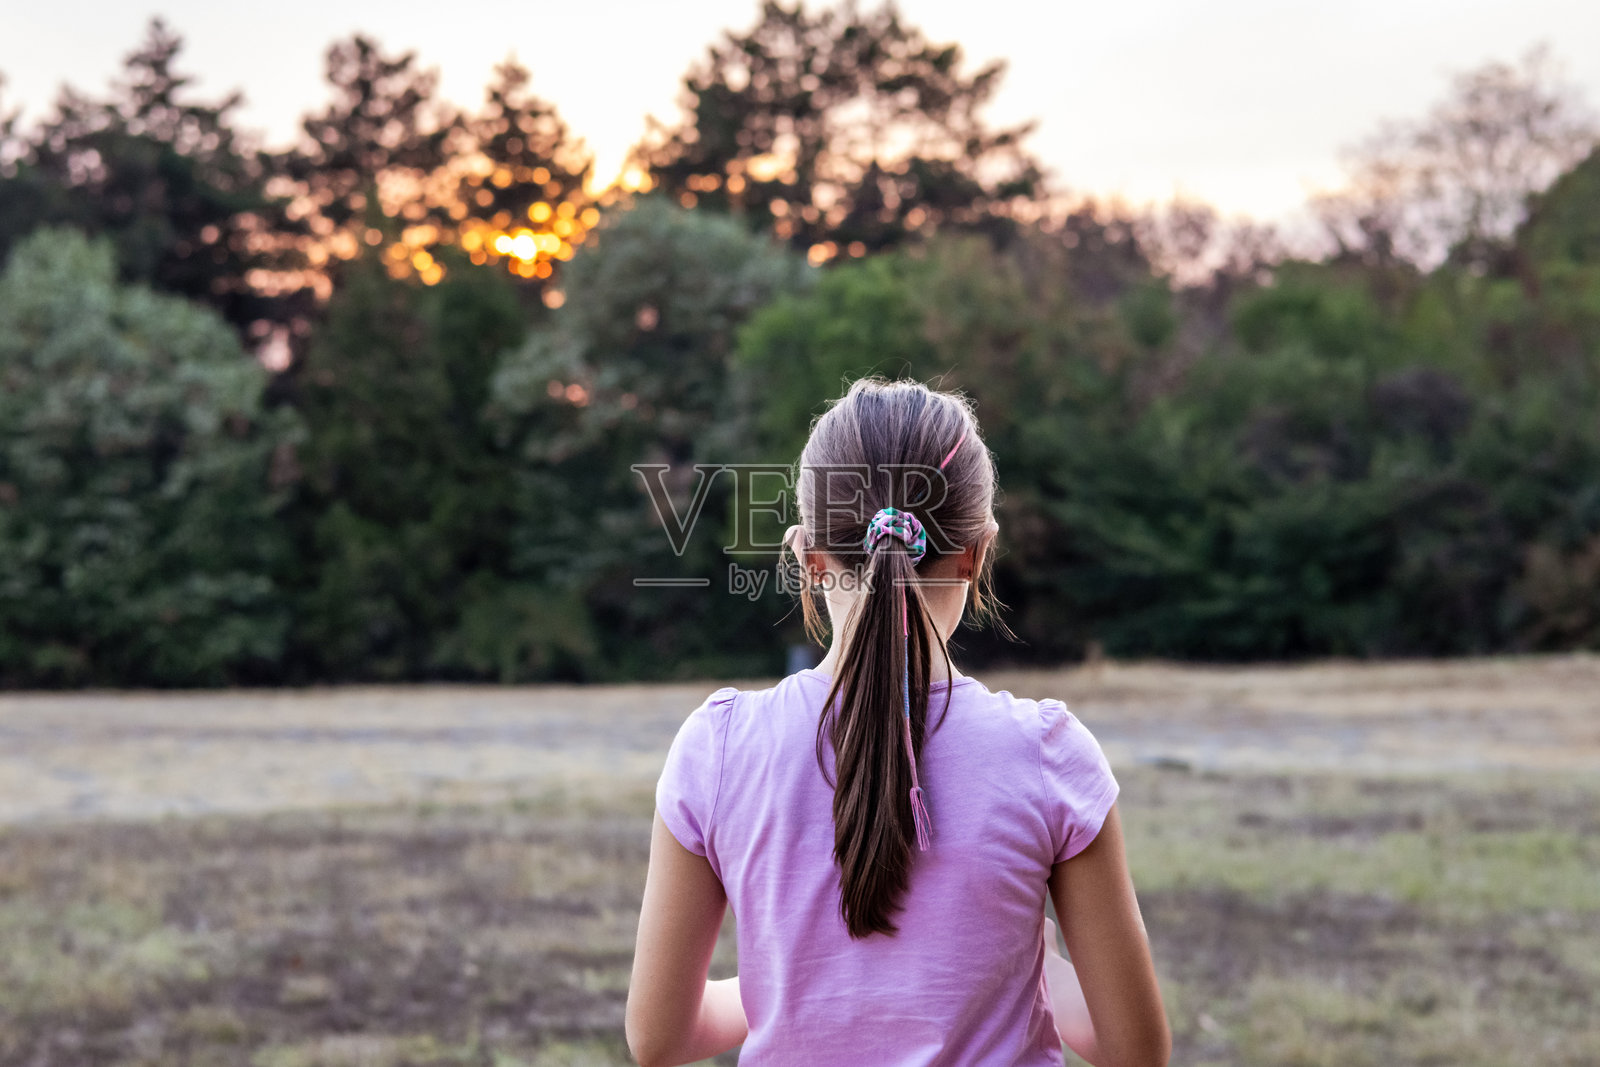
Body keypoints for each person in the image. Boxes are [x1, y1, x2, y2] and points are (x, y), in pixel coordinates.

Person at [627, 378, 1170, 1066]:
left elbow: (658, 1038)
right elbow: (1136, 1050)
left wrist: (782, 986)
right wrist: (1039, 957)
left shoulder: (720, 747)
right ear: (977, 553)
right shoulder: (1047, 755)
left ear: (807, 557)